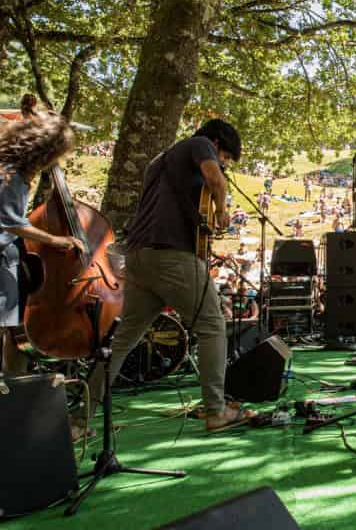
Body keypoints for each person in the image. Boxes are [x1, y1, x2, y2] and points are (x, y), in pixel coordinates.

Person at [85, 119, 247, 433]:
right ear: (217, 144)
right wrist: (223, 212)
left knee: (122, 341)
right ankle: (216, 411)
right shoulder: (200, 145)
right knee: (213, 325)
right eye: (226, 157)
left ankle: (81, 418)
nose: (224, 165)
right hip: (172, 256)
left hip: (139, 256)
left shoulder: (160, 161)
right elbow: (215, 179)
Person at [0, 106, 83, 375]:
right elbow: (10, 221)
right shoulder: (13, 176)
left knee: (3, 324)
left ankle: (11, 383)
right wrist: (56, 240)